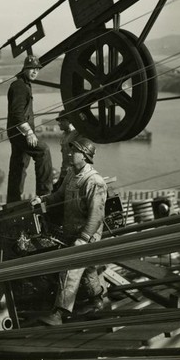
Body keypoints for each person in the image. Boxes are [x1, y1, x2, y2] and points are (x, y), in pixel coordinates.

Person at [31, 137, 107, 325]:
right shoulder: (72, 175)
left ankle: (59, 313)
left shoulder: (94, 181)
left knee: (70, 268)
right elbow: (59, 196)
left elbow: (96, 216)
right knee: (89, 270)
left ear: (85, 156)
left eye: (75, 152)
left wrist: (84, 238)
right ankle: (97, 301)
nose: (71, 154)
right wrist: (43, 200)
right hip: (73, 232)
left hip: (87, 235)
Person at [6, 55, 53, 203]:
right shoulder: (20, 86)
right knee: (43, 151)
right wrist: (29, 133)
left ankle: (13, 201)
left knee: (18, 165)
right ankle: (44, 193)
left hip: (17, 133)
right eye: (31, 69)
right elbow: (17, 114)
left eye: (37, 69)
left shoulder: (23, 84)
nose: (34, 72)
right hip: (20, 133)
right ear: (25, 69)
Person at [53, 110, 79, 191]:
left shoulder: (77, 134)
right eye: (59, 121)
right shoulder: (63, 136)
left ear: (70, 121)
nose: (59, 123)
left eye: (62, 120)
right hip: (64, 172)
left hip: (74, 173)